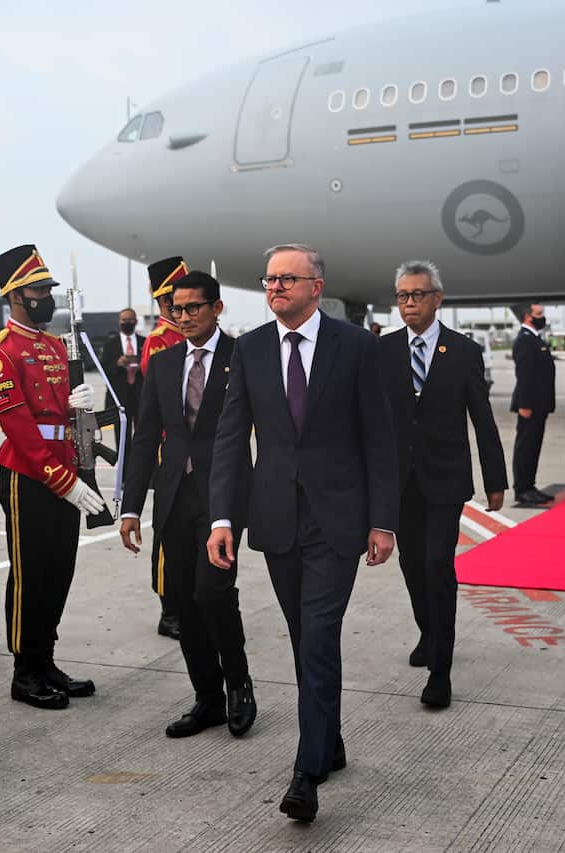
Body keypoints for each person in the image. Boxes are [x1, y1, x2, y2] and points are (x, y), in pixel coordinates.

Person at [207, 243, 398, 823]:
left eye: (288, 279)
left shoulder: (357, 347)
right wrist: (222, 519)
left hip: (338, 519)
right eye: (269, 281)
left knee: (316, 638)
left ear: (317, 285)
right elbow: (231, 438)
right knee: (305, 638)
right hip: (277, 520)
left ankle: (304, 773)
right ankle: (330, 741)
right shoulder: (252, 349)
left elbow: (380, 440)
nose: (276, 289)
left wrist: (383, 520)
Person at [120, 270, 257, 740]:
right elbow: (144, 439)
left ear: (217, 308)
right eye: (176, 309)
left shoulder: (243, 357)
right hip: (174, 496)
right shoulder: (163, 363)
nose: (183, 317)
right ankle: (207, 698)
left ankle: (239, 684)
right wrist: (131, 506)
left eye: (193, 307)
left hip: (224, 495)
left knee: (213, 592)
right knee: (181, 599)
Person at [0, 244, 107, 711]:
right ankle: (24, 669)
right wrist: (63, 480)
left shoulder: (55, 345)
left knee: (59, 572)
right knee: (31, 575)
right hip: (28, 477)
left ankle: (46, 660)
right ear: (15, 295)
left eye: (49, 290)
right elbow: (20, 429)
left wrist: (88, 410)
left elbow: (67, 420)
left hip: (65, 471)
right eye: (39, 291)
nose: (46, 298)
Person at [378, 260, 507, 708]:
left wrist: (496, 478)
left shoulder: (464, 351)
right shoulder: (384, 350)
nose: (409, 303)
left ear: (437, 299)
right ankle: (429, 631)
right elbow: (372, 422)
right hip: (399, 482)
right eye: (402, 296)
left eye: (417, 295)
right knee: (412, 566)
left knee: (437, 564)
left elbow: (482, 419)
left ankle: (441, 670)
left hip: (444, 480)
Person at [141, 257, 192, 641]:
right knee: (168, 530)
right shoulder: (160, 342)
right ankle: (169, 608)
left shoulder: (190, 336)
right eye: (172, 300)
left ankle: (187, 599)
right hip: (169, 447)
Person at [509, 302, 555, 506]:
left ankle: (529, 485)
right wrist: (525, 404)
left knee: (533, 446)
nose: (542, 317)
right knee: (525, 447)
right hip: (530, 405)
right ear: (528, 317)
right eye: (539, 314)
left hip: (539, 404)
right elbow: (524, 375)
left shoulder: (534, 339)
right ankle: (522, 488)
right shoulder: (525, 341)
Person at [100, 307, 145, 444]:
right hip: (119, 397)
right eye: (124, 320)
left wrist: (140, 365)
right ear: (119, 322)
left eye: (130, 320)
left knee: (142, 434)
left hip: (140, 395)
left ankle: (140, 464)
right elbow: (103, 369)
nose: (127, 322)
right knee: (121, 437)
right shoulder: (110, 344)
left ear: (136, 321)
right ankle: (124, 464)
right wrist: (117, 364)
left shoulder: (145, 342)